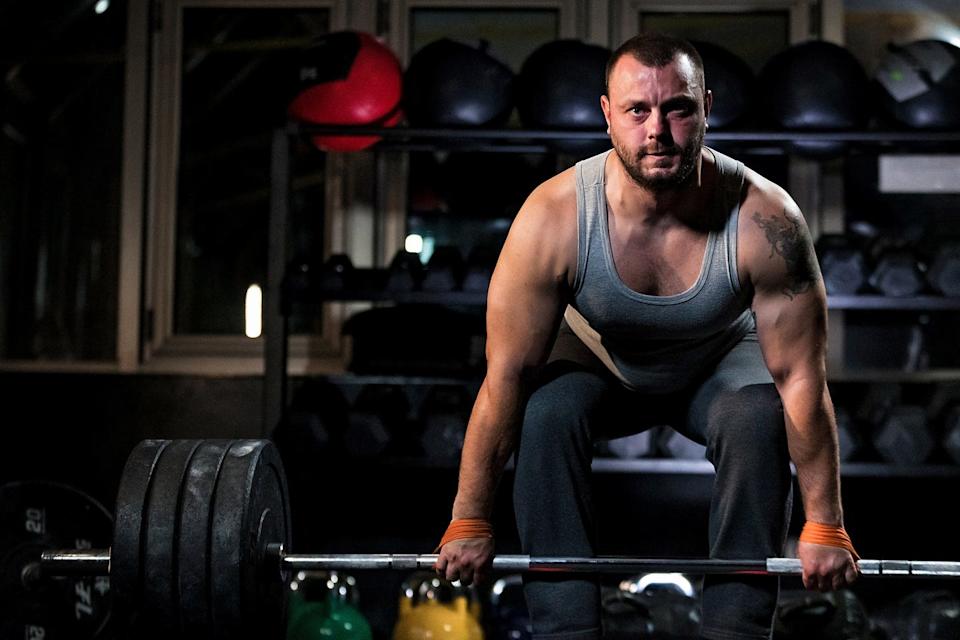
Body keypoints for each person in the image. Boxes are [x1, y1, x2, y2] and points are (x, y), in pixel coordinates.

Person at [434, 32, 860, 640]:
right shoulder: (555, 216)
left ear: (706, 108)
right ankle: (565, 630)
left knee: (758, 416)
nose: (657, 129)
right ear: (607, 114)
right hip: (598, 362)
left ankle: (736, 628)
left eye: (677, 108)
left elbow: (800, 380)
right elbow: (507, 375)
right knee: (543, 412)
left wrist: (824, 523)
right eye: (637, 110)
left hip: (718, 362)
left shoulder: (764, 218)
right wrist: (470, 516)